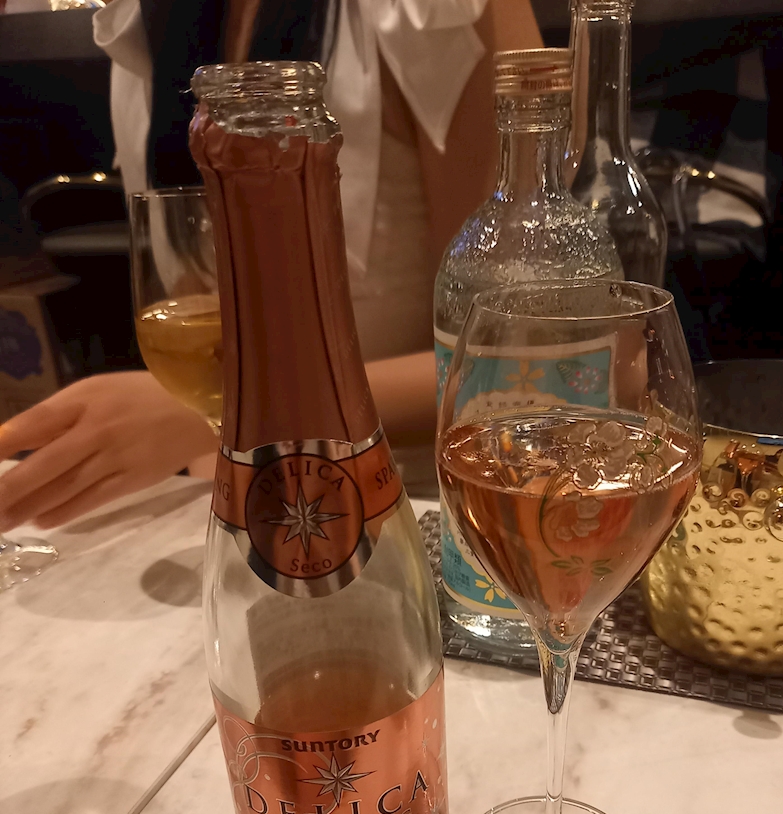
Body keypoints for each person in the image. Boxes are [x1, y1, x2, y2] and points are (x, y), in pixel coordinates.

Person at [0, 0, 542, 533]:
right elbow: (207, 313)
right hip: (247, 496)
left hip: (421, 512)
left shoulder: (440, 10)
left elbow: (524, 359)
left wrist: (210, 416)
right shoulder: (145, 20)